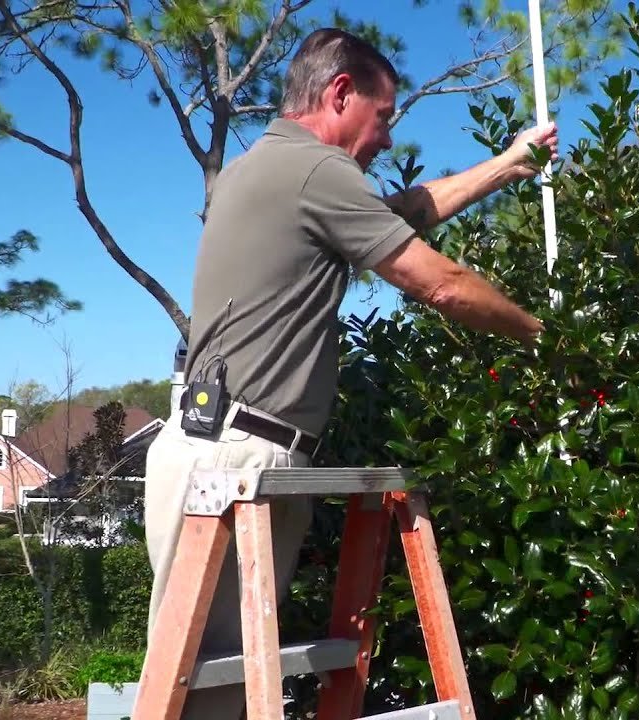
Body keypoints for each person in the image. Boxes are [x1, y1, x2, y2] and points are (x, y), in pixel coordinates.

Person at [141, 26, 553, 717]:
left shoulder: (269, 165)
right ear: (339, 94)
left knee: (216, 686)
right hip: (235, 456)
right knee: (209, 697)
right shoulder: (315, 172)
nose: (387, 138)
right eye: (384, 116)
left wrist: (506, 166)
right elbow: (440, 284)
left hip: (223, 446)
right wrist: (544, 336)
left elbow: (399, 217)